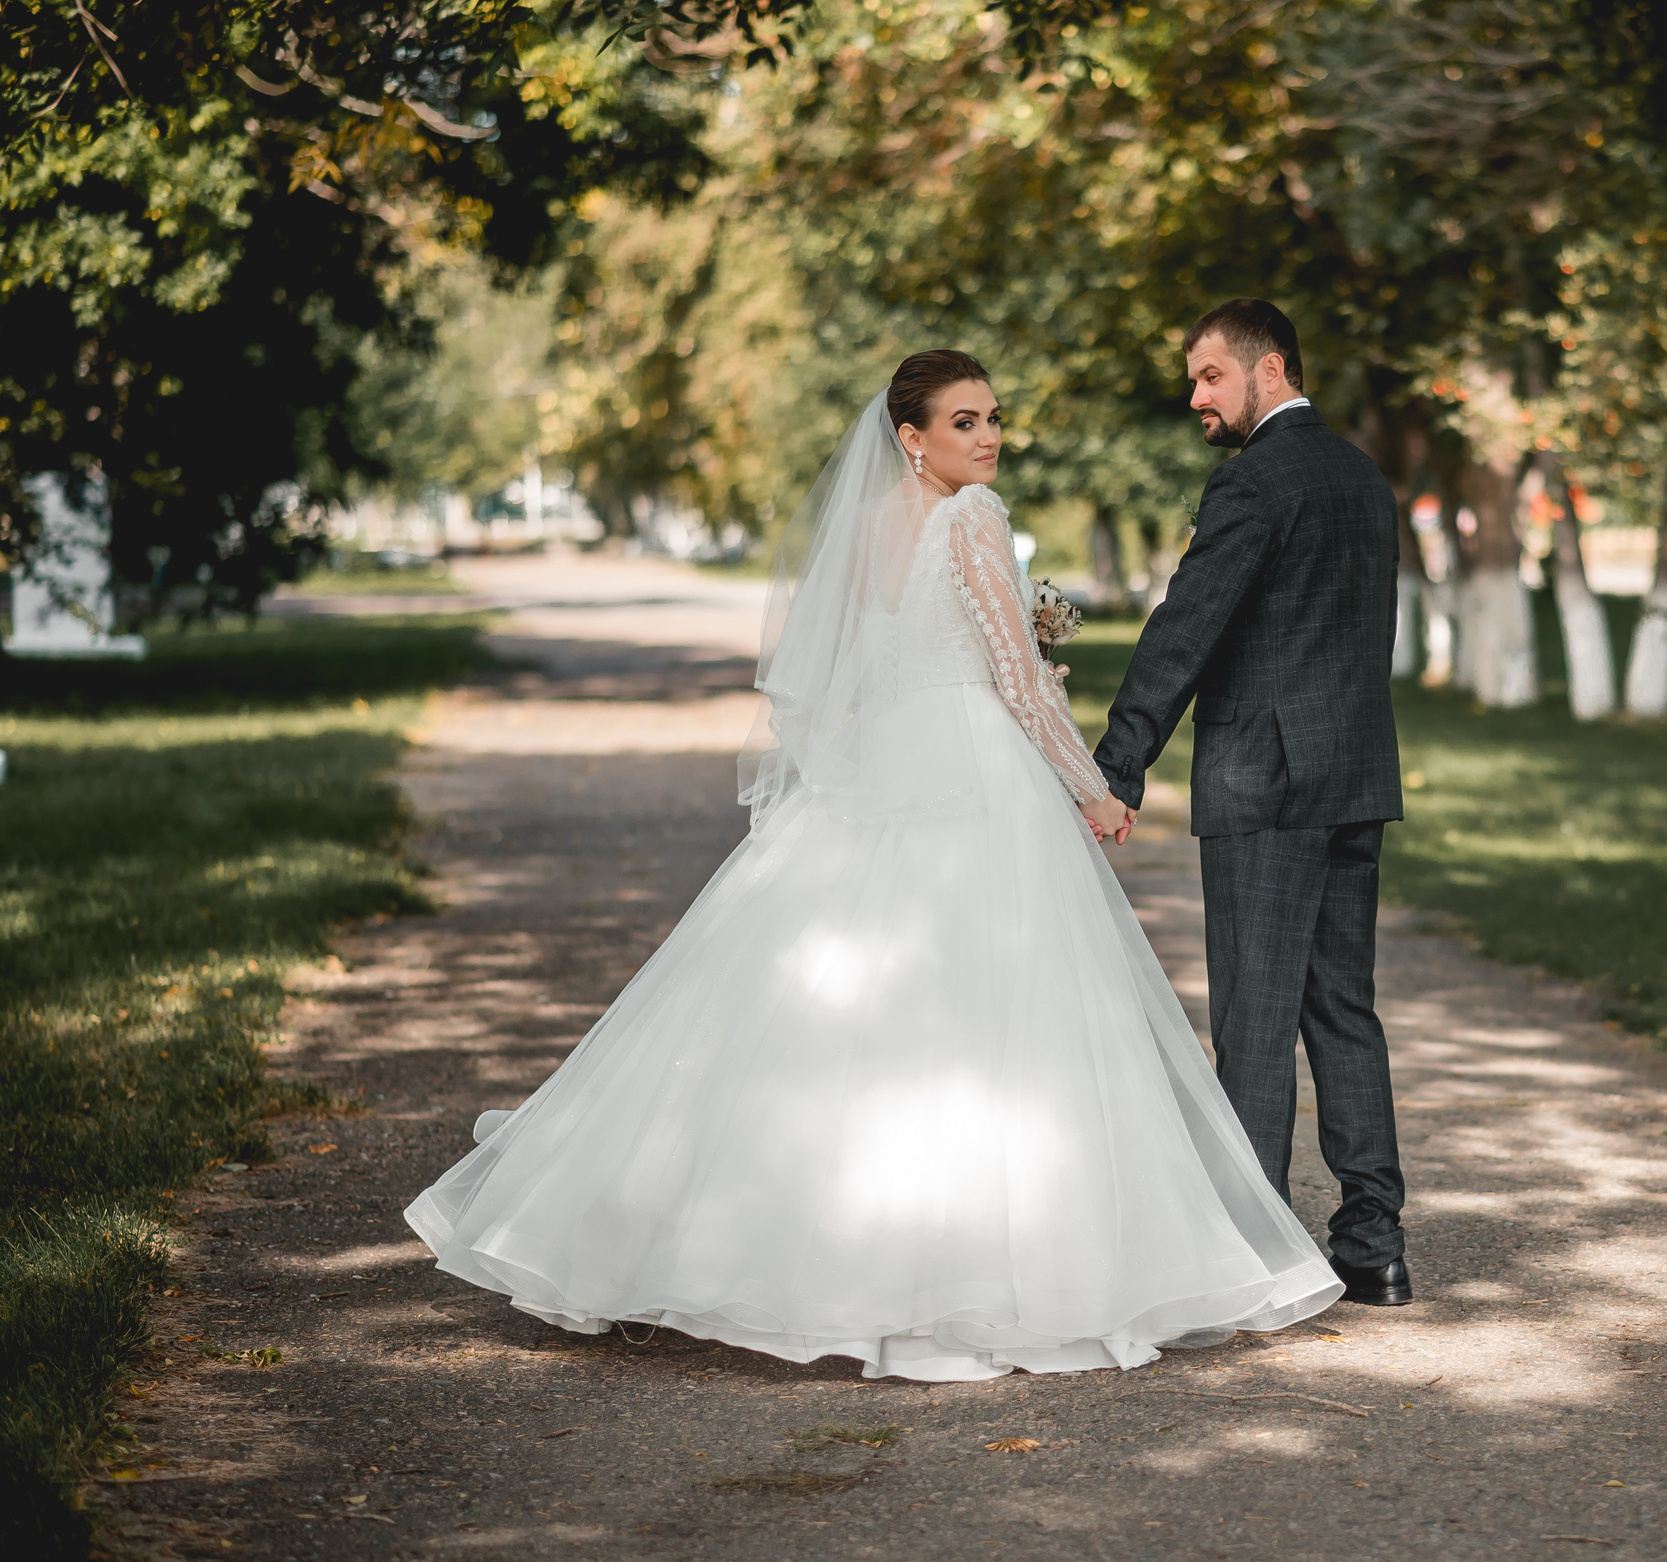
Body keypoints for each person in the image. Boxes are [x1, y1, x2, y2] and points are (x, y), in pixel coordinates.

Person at [405, 350, 1343, 1380]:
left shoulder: (861, 529)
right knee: (993, 1008)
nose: (986, 439)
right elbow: (1018, 685)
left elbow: (847, 676)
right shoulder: (975, 519)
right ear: (911, 437)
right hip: (974, 771)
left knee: (818, 1003)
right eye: (962, 423)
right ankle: (980, 1271)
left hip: (881, 767)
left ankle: (767, 1251)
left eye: (992, 419)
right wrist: (1094, 783)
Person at [1093, 300, 1413, 1307]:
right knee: (1342, 1009)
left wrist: (1117, 765)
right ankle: (1374, 1240)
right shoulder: (1362, 477)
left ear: (1269, 367)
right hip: (1353, 778)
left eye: (1208, 376)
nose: (1194, 397)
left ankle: (1256, 1249)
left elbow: (1185, 631)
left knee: (1255, 1019)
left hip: (1266, 786)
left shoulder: (1251, 483)